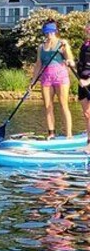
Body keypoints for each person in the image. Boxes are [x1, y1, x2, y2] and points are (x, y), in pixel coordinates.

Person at [31, 19, 74, 140]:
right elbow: (38, 64)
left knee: (63, 105)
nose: (49, 34)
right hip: (46, 78)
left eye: (51, 31)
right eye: (47, 32)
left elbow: (70, 59)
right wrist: (33, 81)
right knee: (48, 106)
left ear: (55, 31)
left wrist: (66, 48)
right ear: (44, 32)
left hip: (61, 77)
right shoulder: (41, 47)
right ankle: (51, 133)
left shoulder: (62, 43)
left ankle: (68, 134)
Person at [76, 24, 90, 152]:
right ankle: (88, 141)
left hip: (88, 81)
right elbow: (81, 64)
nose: (87, 30)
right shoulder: (84, 45)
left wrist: (88, 81)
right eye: (87, 27)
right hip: (82, 81)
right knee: (86, 114)